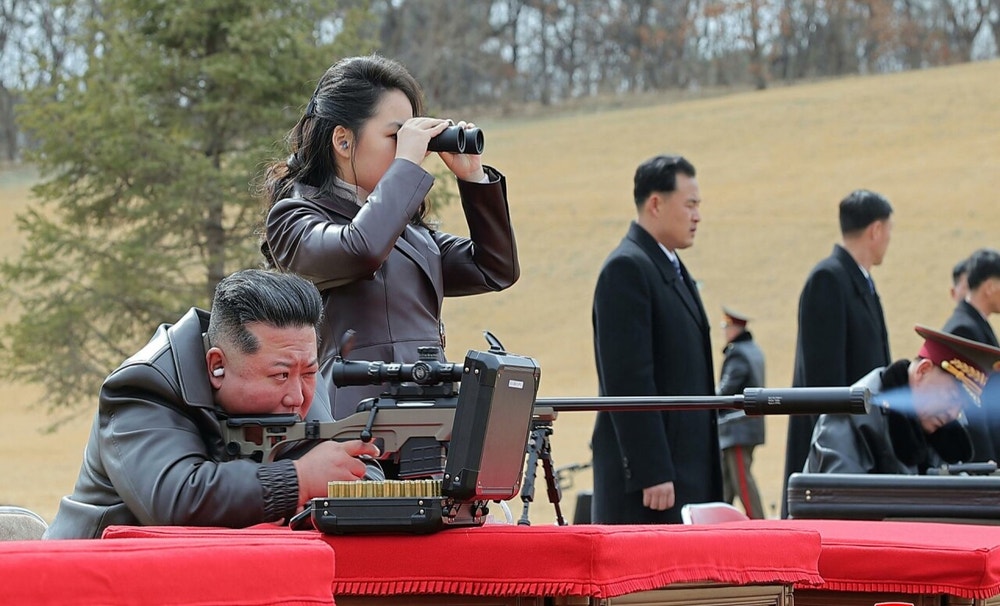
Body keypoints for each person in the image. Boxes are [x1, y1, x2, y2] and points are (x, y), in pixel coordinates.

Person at [261, 54, 519, 420]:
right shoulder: (294, 217)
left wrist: (473, 178)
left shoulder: (407, 231)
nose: (408, 150)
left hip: (429, 416)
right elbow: (361, 249)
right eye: (396, 137)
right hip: (352, 423)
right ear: (343, 141)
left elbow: (495, 268)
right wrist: (406, 167)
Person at [44, 269, 381, 539]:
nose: (298, 395)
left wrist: (349, 477)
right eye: (279, 376)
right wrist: (298, 480)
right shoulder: (142, 386)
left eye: (309, 372)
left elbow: (356, 472)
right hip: (94, 575)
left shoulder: (296, 373)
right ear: (217, 365)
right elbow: (175, 500)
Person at [591, 154, 722, 524]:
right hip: (654, 485)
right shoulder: (627, 268)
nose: (697, 216)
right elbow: (627, 377)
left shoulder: (670, 266)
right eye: (690, 205)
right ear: (655, 203)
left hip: (686, 468)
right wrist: (652, 470)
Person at [781, 189, 893, 516]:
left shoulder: (860, 282)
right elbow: (823, 380)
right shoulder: (828, 280)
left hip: (859, 442)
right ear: (875, 230)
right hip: (836, 451)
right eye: (888, 231)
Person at [804, 326, 1000, 475]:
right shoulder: (852, 415)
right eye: (951, 397)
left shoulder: (939, 438)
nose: (952, 414)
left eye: (961, 408)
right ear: (923, 370)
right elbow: (839, 507)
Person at [942, 247, 1000, 461]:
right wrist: (987, 464)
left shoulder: (975, 325)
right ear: (990, 287)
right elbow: (972, 406)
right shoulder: (964, 331)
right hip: (984, 458)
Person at [716, 307, 766, 519]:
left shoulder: (737, 353)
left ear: (734, 328)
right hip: (747, 426)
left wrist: (708, 400)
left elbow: (725, 391)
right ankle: (714, 525)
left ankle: (760, 526)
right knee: (726, 482)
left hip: (736, 428)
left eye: (726, 327)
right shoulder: (753, 350)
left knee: (742, 481)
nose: (725, 331)